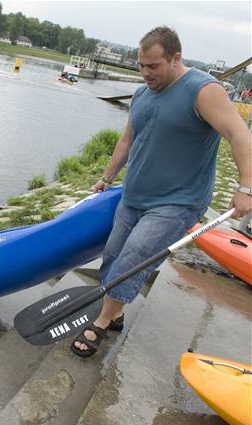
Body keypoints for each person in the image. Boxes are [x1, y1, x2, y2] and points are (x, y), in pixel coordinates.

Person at [71, 26, 252, 358]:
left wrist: (246, 189)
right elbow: (128, 140)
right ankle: (117, 313)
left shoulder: (203, 91)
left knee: (133, 258)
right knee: (112, 255)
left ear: (176, 58)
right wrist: (107, 178)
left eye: (153, 66)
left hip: (178, 201)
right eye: (141, 65)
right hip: (135, 195)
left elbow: (240, 136)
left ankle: (99, 322)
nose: (145, 73)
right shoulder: (142, 93)